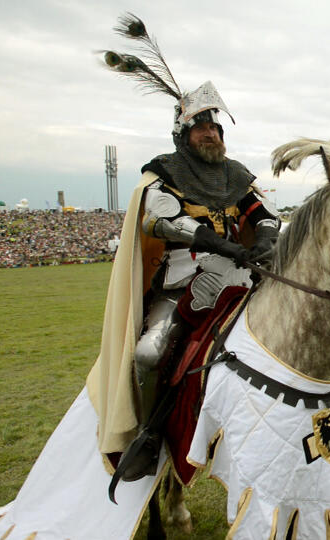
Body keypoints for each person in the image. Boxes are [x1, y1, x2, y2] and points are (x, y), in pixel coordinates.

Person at [96, 33, 280, 482]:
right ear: (183, 135)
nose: (212, 134)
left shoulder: (236, 175)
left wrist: (266, 238)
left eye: (216, 128)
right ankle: (148, 436)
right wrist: (214, 242)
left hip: (240, 276)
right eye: (202, 128)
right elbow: (158, 220)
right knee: (148, 353)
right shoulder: (163, 172)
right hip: (183, 279)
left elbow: (264, 213)